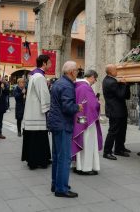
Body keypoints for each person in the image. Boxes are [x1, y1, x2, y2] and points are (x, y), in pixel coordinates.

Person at [48, 61, 82, 198]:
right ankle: (61, 189)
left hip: (55, 123)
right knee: (64, 158)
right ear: (71, 72)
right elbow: (67, 107)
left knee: (57, 156)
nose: (77, 73)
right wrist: (77, 107)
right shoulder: (67, 86)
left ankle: (56, 184)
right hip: (62, 124)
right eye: (77, 71)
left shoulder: (59, 82)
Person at [22, 55, 51, 169]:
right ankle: (38, 161)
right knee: (38, 137)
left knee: (34, 137)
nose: (50, 65)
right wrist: (48, 109)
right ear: (44, 63)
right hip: (37, 113)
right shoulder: (39, 77)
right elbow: (43, 95)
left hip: (32, 111)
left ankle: (34, 159)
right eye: (49, 63)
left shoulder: (34, 75)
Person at [72, 69, 102, 175]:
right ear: (92, 77)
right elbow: (93, 105)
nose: (95, 81)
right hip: (87, 120)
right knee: (87, 142)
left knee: (81, 139)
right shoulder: (86, 87)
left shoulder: (78, 86)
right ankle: (86, 168)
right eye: (95, 79)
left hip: (79, 119)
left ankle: (78, 166)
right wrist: (98, 103)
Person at [102, 64, 131, 160]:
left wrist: (124, 85)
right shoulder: (111, 82)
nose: (117, 71)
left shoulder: (109, 80)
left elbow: (125, 96)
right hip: (115, 111)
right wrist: (124, 84)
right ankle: (107, 152)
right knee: (113, 132)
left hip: (118, 110)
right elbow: (121, 95)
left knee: (122, 130)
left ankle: (119, 148)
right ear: (110, 71)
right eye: (115, 69)